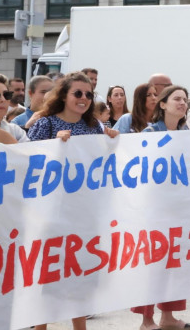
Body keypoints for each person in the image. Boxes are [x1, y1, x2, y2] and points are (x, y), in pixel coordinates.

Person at [27, 72, 118, 330]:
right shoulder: (46, 124)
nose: (84, 99)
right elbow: (28, 161)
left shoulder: (94, 127)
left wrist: (111, 142)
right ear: (63, 95)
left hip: (84, 215)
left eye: (88, 94)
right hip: (51, 215)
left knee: (80, 279)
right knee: (48, 280)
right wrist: (53, 146)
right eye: (77, 93)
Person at [129, 86, 190, 329]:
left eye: (185, 100)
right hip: (153, 211)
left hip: (179, 209)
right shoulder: (149, 133)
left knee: (175, 263)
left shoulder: (188, 132)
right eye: (177, 99)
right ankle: (147, 320)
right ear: (163, 104)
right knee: (152, 265)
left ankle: (169, 317)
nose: (182, 103)